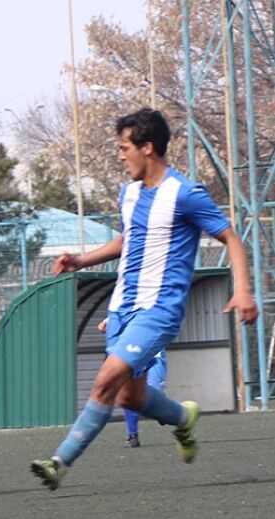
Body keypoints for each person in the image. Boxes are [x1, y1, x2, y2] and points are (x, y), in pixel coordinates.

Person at [31, 109, 257, 491]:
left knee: (105, 381)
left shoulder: (185, 193)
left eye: (124, 148)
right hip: (121, 307)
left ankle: (58, 463)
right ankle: (182, 418)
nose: (120, 156)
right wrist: (82, 260)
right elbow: (130, 238)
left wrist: (244, 290)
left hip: (158, 310)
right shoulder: (129, 193)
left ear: (147, 147)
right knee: (130, 397)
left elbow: (231, 238)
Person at [96, 317, 167, 448]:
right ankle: (132, 435)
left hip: (152, 346)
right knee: (128, 392)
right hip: (129, 349)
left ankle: (167, 410)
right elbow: (120, 311)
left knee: (154, 392)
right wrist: (108, 321)